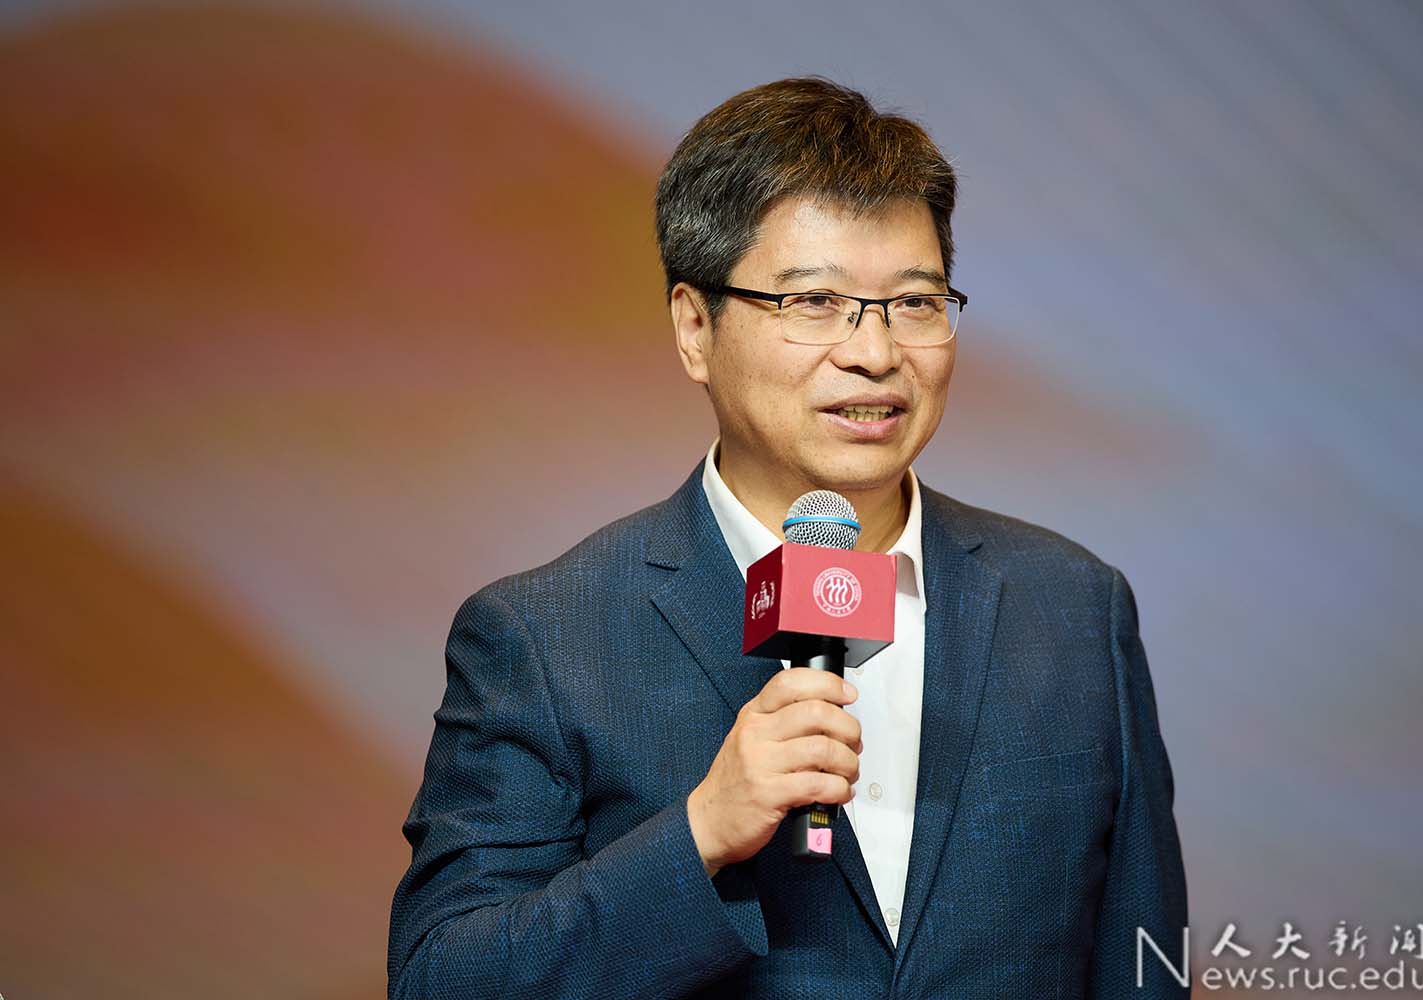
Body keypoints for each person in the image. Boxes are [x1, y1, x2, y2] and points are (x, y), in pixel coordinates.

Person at [388, 77, 1188, 999]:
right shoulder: (545, 637)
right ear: (695, 328)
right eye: (815, 303)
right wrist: (700, 834)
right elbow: (441, 978)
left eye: (916, 303)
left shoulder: (1073, 607)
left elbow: (1144, 960)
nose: (875, 353)